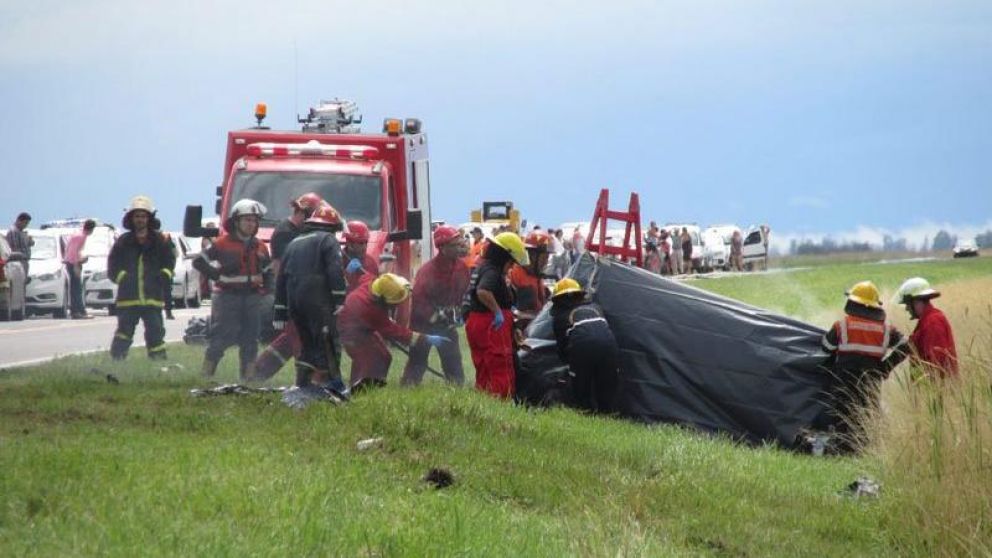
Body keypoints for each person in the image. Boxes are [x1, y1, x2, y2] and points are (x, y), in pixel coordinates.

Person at [818, 281, 910, 452]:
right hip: (871, 379)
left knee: (843, 414)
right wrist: (886, 367)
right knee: (867, 413)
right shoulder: (886, 329)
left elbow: (826, 347)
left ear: (853, 303)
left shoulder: (842, 325)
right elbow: (906, 346)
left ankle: (843, 448)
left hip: (844, 380)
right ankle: (865, 448)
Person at [194, 199, 272, 381]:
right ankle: (206, 374)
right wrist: (217, 275)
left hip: (253, 298)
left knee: (251, 340)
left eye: (254, 220)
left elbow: (268, 272)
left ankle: (248, 379)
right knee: (221, 338)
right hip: (227, 298)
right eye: (247, 220)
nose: (251, 224)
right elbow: (199, 261)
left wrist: (269, 291)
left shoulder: (260, 246)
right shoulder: (221, 243)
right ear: (236, 222)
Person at [274, 202, 348, 392]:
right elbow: (335, 269)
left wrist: (280, 311)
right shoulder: (328, 240)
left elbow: (281, 278)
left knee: (307, 345)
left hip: (295, 304)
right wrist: (339, 298)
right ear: (332, 227)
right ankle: (333, 385)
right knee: (328, 342)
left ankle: (303, 384)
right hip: (318, 302)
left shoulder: (294, 243)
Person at [252, 192, 323, 381]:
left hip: (302, 292)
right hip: (293, 293)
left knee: (290, 338)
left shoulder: (299, 232)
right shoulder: (285, 233)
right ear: (301, 212)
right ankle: (306, 380)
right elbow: (282, 268)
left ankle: (257, 373)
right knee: (299, 336)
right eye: (312, 216)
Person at [338, 273, 449, 390]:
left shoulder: (374, 284)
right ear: (383, 300)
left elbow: (362, 276)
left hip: (364, 328)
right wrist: (425, 338)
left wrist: (356, 270)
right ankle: (359, 390)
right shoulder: (371, 310)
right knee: (369, 361)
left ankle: (376, 385)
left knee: (384, 356)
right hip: (352, 334)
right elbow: (394, 331)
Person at [401, 225, 471, 386]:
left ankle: (456, 388)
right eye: (454, 245)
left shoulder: (462, 268)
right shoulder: (427, 271)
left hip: (447, 325)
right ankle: (408, 387)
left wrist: (457, 313)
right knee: (417, 362)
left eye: (458, 243)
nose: (459, 247)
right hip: (423, 326)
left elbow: (462, 293)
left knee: (453, 362)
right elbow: (418, 301)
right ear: (443, 247)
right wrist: (436, 316)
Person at [108, 196, 176, 360]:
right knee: (124, 332)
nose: (140, 219)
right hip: (128, 299)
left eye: (143, 216)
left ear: (149, 219)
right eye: (137, 216)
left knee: (155, 332)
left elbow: (169, 262)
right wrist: (124, 279)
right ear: (131, 219)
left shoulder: (160, 240)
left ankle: (158, 361)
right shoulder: (123, 241)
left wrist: (163, 276)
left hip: (152, 298)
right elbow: (113, 266)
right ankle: (117, 360)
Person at [462, 232, 529, 398]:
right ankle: (502, 403)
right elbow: (483, 291)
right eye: (511, 262)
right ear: (503, 256)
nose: (511, 267)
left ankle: (484, 402)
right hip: (491, 324)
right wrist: (498, 312)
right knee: (500, 366)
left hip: (477, 322)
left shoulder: (482, 267)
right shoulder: (492, 271)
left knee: (483, 367)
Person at [549, 278, 619, 413]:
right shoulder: (596, 308)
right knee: (607, 388)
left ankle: (585, 412)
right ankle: (606, 414)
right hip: (610, 346)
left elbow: (562, 347)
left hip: (582, 350)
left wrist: (569, 363)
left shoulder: (560, 317)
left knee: (581, 390)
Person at [895, 277, 958, 379]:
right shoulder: (927, 320)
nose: (906, 308)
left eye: (907, 304)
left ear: (916, 302)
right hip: (929, 386)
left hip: (936, 387)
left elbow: (935, 364)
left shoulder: (932, 322)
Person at [509, 230, 551, 323]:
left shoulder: (535, 274)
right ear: (532, 256)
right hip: (524, 325)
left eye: (547, 258)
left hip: (538, 322)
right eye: (544, 258)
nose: (546, 262)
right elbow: (521, 311)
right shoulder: (517, 275)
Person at [64, 219, 96, 319]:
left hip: (73, 262)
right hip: (73, 263)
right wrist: (76, 265)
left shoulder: (79, 234)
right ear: (91, 229)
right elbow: (73, 252)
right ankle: (77, 312)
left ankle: (80, 311)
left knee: (77, 288)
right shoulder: (80, 236)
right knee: (76, 289)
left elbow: (71, 249)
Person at [342, 220, 380, 293]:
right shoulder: (338, 260)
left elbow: (376, 289)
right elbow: (337, 286)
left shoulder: (370, 262)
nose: (364, 247)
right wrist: (347, 273)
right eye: (361, 243)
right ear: (349, 244)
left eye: (366, 242)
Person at [7, 212, 34, 277]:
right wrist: (22, 255)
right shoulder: (13, 231)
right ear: (19, 221)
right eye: (25, 223)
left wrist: (29, 240)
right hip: (17, 264)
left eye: (27, 223)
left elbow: (26, 245)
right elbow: (14, 248)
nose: (26, 225)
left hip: (23, 262)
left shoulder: (21, 232)